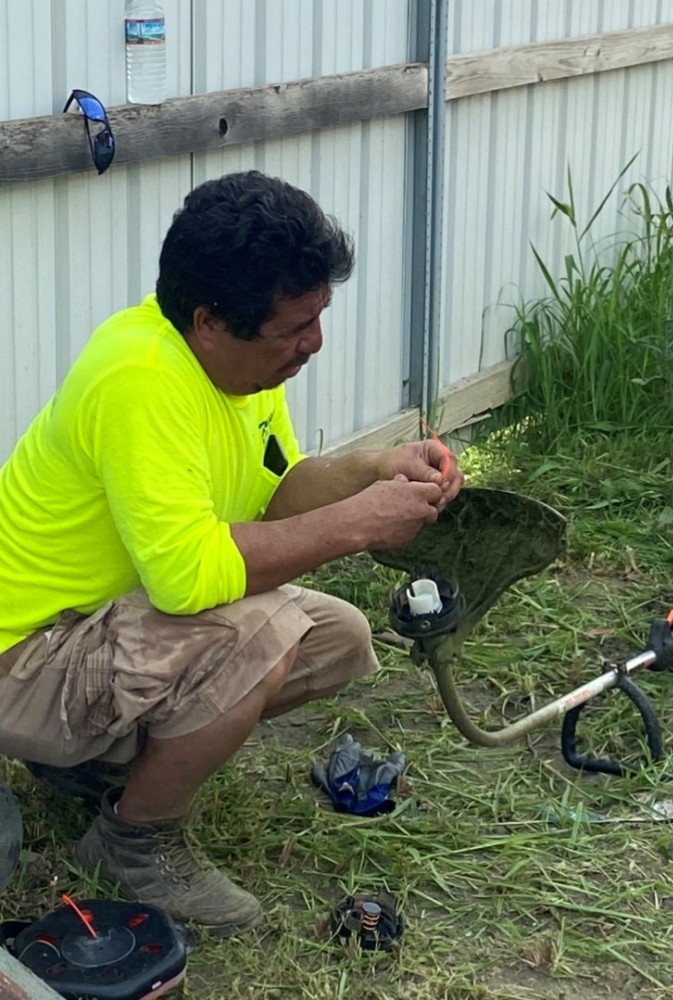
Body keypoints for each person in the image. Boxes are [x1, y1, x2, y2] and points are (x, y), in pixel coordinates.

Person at [0, 170, 462, 937]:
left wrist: (373, 470)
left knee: (333, 636)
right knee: (263, 631)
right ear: (210, 322)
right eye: (295, 328)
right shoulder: (141, 380)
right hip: (23, 654)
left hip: (95, 625)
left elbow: (273, 495)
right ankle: (133, 842)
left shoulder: (238, 369)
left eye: (318, 317)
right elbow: (188, 581)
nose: (314, 343)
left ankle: (89, 764)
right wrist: (357, 525)